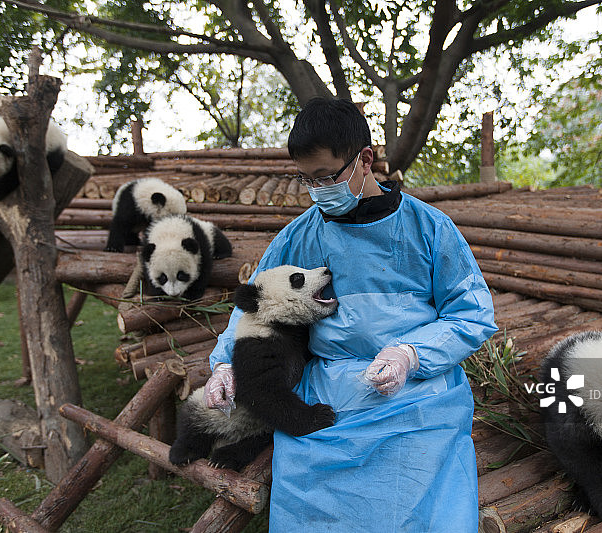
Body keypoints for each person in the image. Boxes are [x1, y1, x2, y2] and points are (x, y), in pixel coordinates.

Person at [206, 97, 497, 532]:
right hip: (327, 393)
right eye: (306, 179)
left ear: (365, 159)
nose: (317, 190)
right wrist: (225, 363)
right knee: (311, 505)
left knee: (418, 505)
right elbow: (255, 309)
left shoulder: (429, 228)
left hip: (417, 397)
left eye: (325, 177)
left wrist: (410, 355)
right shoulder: (298, 237)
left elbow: (471, 314)